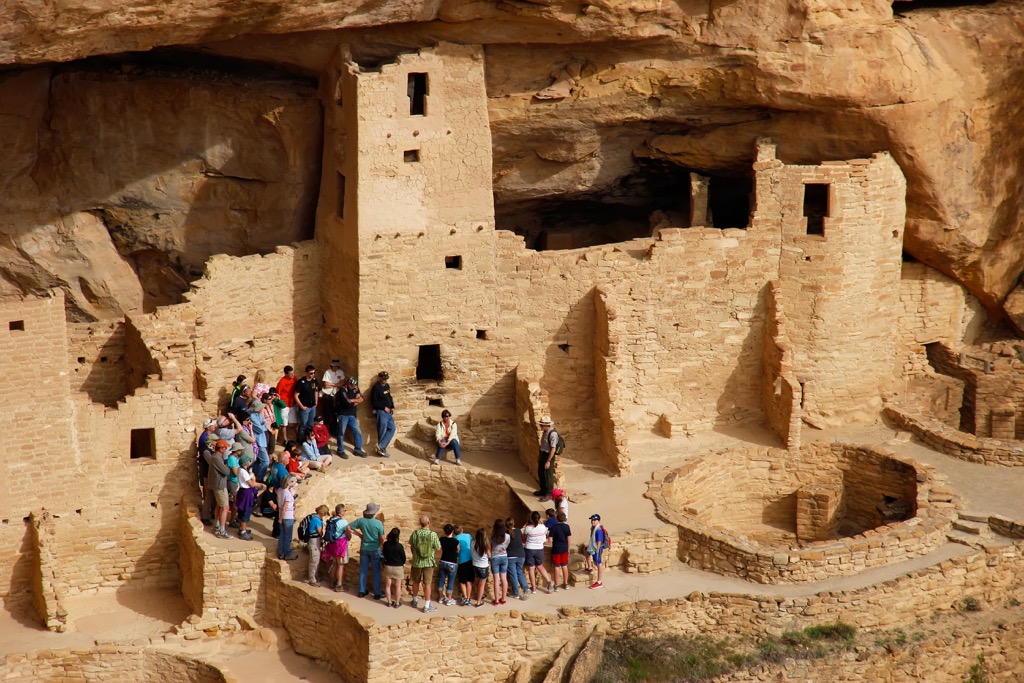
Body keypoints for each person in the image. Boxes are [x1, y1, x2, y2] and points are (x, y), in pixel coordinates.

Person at [350, 502, 385, 599]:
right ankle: (377, 593)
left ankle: (361, 591)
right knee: (376, 571)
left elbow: (349, 527)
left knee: (363, 570)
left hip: (364, 548)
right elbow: (382, 539)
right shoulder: (378, 523)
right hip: (375, 549)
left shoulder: (361, 521)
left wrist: (359, 535)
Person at [408, 516, 441, 613]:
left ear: (420, 523)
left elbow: (412, 546)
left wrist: (415, 555)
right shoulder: (432, 534)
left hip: (417, 562)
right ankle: (427, 605)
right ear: (429, 522)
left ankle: (415, 599)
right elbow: (438, 548)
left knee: (415, 581)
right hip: (428, 562)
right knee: (427, 584)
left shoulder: (415, 533)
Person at [202, 440, 232, 539]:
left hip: (217, 484)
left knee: (219, 506)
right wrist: (227, 466)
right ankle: (222, 531)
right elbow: (226, 471)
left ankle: (217, 525)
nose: (226, 449)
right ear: (221, 448)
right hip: (220, 485)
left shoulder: (216, 457)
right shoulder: (217, 459)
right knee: (225, 507)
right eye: (225, 447)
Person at [524, 511, 554, 594]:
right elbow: (545, 533)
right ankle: (549, 582)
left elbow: (525, 536)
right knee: (540, 566)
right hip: (539, 548)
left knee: (531, 568)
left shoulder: (528, 527)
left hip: (529, 549)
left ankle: (533, 588)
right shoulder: (543, 527)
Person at [336, 376, 366, 458]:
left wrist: (352, 400)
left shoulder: (355, 388)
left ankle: (358, 450)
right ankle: (340, 450)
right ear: (348, 383)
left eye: (354, 385)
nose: (353, 386)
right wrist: (356, 400)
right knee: (341, 433)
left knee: (357, 432)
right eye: (352, 385)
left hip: (352, 414)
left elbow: (363, 398)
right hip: (343, 414)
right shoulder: (343, 390)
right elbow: (347, 403)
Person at [234, 453, 263, 540]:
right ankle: (243, 532)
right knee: (245, 512)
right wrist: (260, 484)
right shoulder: (243, 471)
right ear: (246, 462)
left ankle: (242, 528)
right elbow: (251, 484)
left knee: (242, 511)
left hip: (243, 492)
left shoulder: (241, 470)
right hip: (246, 493)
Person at [323, 503, 351, 592]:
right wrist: (349, 537)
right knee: (340, 565)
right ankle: (339, 585)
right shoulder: (343, 522)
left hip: (332, 544)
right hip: (341, 545)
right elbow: (348, 534)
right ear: (342, 512)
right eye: (344, 510)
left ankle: (332, 582)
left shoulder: (331, 520)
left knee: (334, 564)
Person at [534, 416, 560, 502]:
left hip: (548, 455)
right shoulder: (545, 432)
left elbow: (553, 449)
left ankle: (549, 493)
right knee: (540, 472)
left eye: (542, 425)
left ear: (546, 425)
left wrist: (548, 461)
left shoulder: (552, 434)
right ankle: (543, 490)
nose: (540, 426)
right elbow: (543, 445)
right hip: (543, 453)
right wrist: (539, 455)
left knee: (548, 475)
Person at [370, 371, 395, 457]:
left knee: (392, 428)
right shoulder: (376, 388)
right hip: (381, 411)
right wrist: (384, 407)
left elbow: (389, 397)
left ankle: (381, 446)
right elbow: (374, 402)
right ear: (380, 378)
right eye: (383, 378)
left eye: (386, 378)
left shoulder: (387, 386)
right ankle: (381, 450)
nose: (385, 380)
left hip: (388, 412)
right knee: (382, 430)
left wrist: (392, 406)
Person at [505, 517, 530, 600]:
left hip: (511, 556)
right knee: (520, 572)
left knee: (513, 574)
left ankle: (516, 593)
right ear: (514, 523)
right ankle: (526, 588)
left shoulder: (506, 533)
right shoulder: (518, 531)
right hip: (521, 555)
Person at [382, 527, 406, 609]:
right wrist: (402, 563)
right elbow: (403, 557)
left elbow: (384, 554)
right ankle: (397, 603)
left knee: (388, 585)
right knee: (398, 586)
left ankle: (389, 602)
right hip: (398, 567)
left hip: (388, 566)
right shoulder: (399, 546)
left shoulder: (386, 544)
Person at [294, 364, 319, 443]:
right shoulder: (301, 382)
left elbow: (316, 391)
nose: (313, 375)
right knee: (303, 425)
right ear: (307, 373)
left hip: (312, 407)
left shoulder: (314, 381)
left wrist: (316, 402)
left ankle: (308, 439)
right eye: (311, 373)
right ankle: (301, 440)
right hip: (305, 407)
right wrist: (301, 406)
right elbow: (296, 395)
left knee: (311, 425)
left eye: (314, 373)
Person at [437, 524, 460, 606]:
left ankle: (441, 597)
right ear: (453, 531)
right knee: (450, 581)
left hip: (443, 560)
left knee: (441, 579)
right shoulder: (455, 541)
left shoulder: (442, 539)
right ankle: (449, 598)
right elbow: (458, 550)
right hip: (452, 562)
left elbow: (439, 548)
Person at [320, 360, 345, 437]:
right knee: (327, 414)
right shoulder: (327, 372)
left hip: (336, 395)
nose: (335, 368)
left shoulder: (340, 372)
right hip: (327, 395)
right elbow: (325, 385)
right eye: (334, 366)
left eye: (336, 366)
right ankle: (326, 431)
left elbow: (342, 383)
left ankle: (333, 431)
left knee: (335, 414)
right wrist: (336, 384)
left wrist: (333, 384)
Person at [306, 504, 329, 586]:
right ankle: (312, 579)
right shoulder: (317, 520)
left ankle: (315, 576)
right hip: (314, 541)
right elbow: (320, 531)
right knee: (314, 560)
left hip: (313, 541)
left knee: (316, 559)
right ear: (322, 513)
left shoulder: (314, 517)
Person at [277, 476, 299, 561]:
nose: (293, 483)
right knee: (288, 537)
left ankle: (281, 553)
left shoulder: (280, 490)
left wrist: (280, 518)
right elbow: (284, 508)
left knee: (282, 535)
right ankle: (288, 553)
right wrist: (281, 518)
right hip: (287, 516)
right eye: (292, 482)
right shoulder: (287, 494)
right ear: (288, 483)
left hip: (281, 514)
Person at [489, 519, 510, 606]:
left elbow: (490, 548)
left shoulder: (492, 538)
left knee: (496, 580)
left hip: (495, 557)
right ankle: (504, 599)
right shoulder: (507, 536)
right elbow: (506, 545)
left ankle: (497, 600)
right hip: (504, 556)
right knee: (504, 579)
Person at [549, 511, 572, 591]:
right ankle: (566, 583)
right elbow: (569, 539)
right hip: (564, 549)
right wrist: (568, 548)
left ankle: (556, 585)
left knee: (556, 567)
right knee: (564, 566)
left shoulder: (554, 527)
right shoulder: (567, 527)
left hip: (556, 549)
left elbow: (550, 540)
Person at [276, 366, 298, 442]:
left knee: (295, 422)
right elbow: (277, 394)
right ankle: (285, 439)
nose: (292, 375)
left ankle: (297, 436)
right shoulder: (282, 382)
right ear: (286, 374)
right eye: (290, 373)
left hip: (292, 404)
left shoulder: (294, 378)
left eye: (293, 372)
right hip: (285, 405)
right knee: (284, 423)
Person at [587, 514, 609, 589]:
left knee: (598, 563)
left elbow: (599, 541)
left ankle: (599, 582)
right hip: (593, 547)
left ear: (598, 521)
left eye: (594, 520)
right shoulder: (593, 528)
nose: (592, 521)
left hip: (597, 548)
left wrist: (597, 549)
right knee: (586, 553)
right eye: (592, 520)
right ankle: (590, 568)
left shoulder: (598, 530)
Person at [470, 528, 490, 607]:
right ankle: (478, 601)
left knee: (478, 582)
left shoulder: (472, 542)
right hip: (483, 566)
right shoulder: (485, 545)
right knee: (482, 584)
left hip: (475, 565)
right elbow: (489, 555)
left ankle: (480, 594)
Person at [454, 524, 474, 606]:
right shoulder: (468, 536)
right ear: (462, 530)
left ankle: (465, 597)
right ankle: (468, 598)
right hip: (470, 560)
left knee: (462, 581)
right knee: (469, 580)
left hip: (461, 561)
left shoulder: (455, 539)